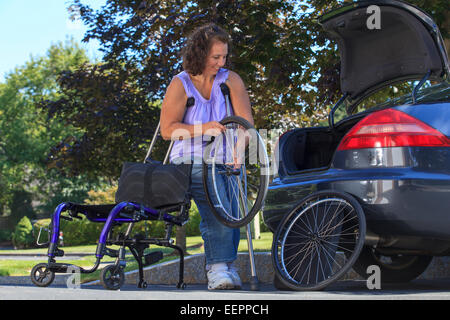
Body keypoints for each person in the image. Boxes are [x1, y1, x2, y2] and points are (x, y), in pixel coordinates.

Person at [160, 23, 254, 290]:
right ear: (200, 54)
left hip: (226, 156)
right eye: (216, 57)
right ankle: (217, 267)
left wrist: (239, 151)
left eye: (224, 56)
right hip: (190, 158)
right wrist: (204, 128)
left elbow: (247, 125)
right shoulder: (181, 84)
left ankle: (226, 264)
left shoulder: (231, 80)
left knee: (233, 208)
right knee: (217, 199)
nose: (221, 62)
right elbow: (168, 130)